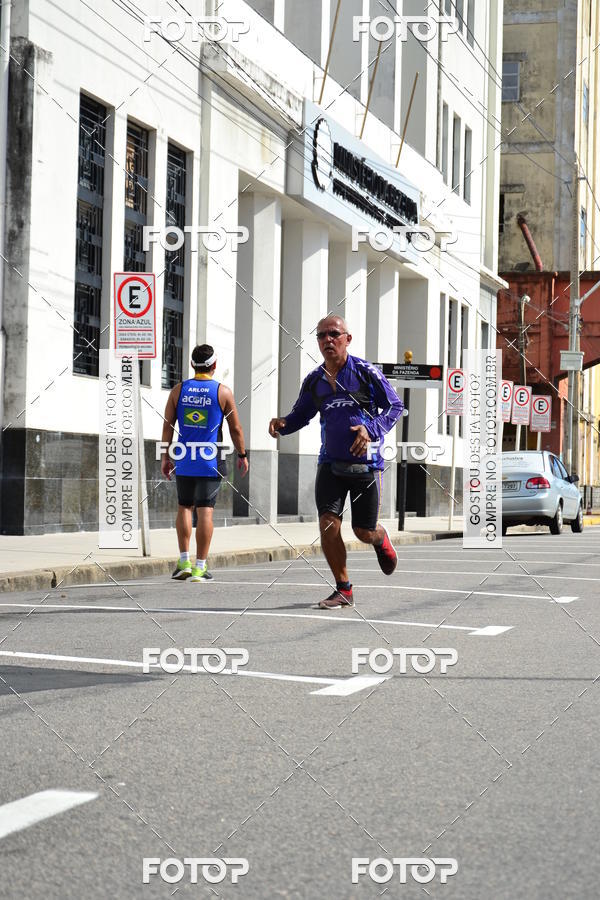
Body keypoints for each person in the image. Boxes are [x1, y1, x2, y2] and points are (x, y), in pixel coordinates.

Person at [269, 316, 403, 609]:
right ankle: (344, 589)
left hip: (365, 465)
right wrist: (283, 423)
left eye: (334, 334)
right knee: (328, 525)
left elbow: (395, 406)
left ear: (347, 339)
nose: (328, 340)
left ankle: (380, 539)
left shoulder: (366, 373)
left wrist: (371, 429)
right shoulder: (314, 380)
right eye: (321, 336)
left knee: (362, 532)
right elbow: (301, 415)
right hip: (330, 463)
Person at [161, 344, 249, 582]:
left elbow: (168, 426)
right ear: (214, 365)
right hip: (211, 459)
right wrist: (242, 454)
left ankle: (183, 562)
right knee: (206, 511)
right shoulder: (223, 392)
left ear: (192, 365)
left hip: (184, 458)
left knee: (184, 507)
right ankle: (200, 567)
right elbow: (235, 428)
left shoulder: (178, 391)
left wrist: (165, 456)